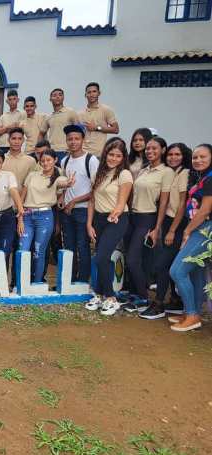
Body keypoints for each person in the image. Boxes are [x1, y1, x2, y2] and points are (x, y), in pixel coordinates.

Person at [140, 143, 192, 320]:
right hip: (169, 221)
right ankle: (176, 301)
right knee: (168, 263)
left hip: (178, 223)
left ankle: (159, 304)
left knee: (161, 265)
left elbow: (182, 205)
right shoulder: (172, 172)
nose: (173, 157)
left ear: (184, 156)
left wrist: (171, 231)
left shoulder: (184, 173)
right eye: (170, 154)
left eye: (177, 154)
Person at [123, 137, 175, 313]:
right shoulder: (144, 170)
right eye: (148, 149)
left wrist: (157, 228)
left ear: (163, 150)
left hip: (148, 218)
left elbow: (164, 202)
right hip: (133, 217)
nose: (149, 151)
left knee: (132, 259)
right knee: (137, 259)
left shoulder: (166, 172)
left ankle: (143, 297)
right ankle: (134, 293)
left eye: (154, 148)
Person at [85, 140, 133, 316]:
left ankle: (112, 298)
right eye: (111, 154)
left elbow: (122, 202)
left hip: (117, 219)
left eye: (118, 155)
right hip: (98, 219)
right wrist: (89, 224)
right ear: (105, 154)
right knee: (102, 259)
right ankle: (99, 294)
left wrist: (115, 214)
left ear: (123, 157)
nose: (114, 158)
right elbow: (92, 200)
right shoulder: (99, 173)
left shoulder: (125, 174)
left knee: (100, 257)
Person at [169, 144, 212, 332]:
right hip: (199, 227)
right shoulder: (201, 178)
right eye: (195, 157)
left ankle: (193, 315)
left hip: (204, 229)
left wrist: (187, 231)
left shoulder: (210, 180)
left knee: (177, 271)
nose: (198, 160)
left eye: (203, 157)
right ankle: (190, 312)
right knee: (194, 272)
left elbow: (205, 211)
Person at [20, 150, 75, 283]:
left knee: (39, 252)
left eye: (48, 160)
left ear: (55, 160)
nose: (45, 163)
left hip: (44, 217)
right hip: (27, 215)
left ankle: (37, 282)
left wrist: (68, 183)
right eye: (43, 160)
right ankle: (21, 283)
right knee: (22, 250)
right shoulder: (32, 175)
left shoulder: (58, 176)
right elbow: (22, 196)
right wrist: (19, 217)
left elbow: (64, 182)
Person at [59, 124, 100, 284]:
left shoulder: (91, 160)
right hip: (67, 212)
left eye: (77, 138)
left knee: (82, 246)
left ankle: (82, 280)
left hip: (83, 211)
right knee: (68, 246)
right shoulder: (65, 161)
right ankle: (69, 279)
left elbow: (95, 191)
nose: (73, 142)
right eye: (70, 139)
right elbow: (65, 185)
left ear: (83, 140)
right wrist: (63, 198)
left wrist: (74, 201)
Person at [78, 82, 119, 157]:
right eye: (89, 92)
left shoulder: (106, 110)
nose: (92, 94)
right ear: (85, 95)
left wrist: (97, 127)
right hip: (83, 153)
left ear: (99, 93)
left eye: (94, 91)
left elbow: (116, 129)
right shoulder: (80, 113)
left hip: (98, 154)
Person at [44, 88, 78, 161]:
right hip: (52, 152)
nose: (57, 97)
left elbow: (79, 131)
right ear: (50, 99)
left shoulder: (70, 112)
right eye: (54, 95)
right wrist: (45, 148)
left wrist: (74, 148)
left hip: (66, 151)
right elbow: (42, 133)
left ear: (63, 97)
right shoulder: (49, 117)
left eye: (60, 95)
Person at [0, 90, 26, 154]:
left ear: (18, 100)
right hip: (3, 146)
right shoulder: (3, 116)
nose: (12, 102)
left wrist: (3, 130)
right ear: (7, 101)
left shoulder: (22, 114)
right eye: (10, 99)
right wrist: (8, 127)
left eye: (14, 99)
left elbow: (20, 130)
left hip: (16, 146)